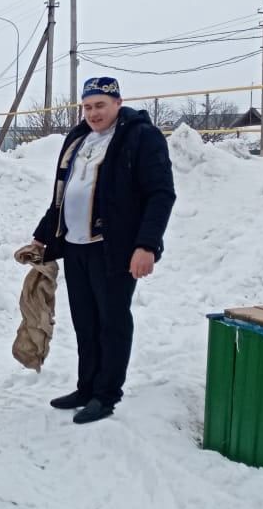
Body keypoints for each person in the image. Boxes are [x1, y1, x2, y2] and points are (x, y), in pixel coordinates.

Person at [32, 76, 176, 424]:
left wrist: (147, 245)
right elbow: (63, 193)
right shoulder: (79, 138)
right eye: (87, 106)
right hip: (76, 246)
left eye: (100, 105)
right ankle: (86, 386)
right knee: (85, 321)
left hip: (115, 248)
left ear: (117, 103)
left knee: (111, 321)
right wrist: (43, 235)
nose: (93, 113)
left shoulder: (140, 137)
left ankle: (107, 394)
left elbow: (161, 194)